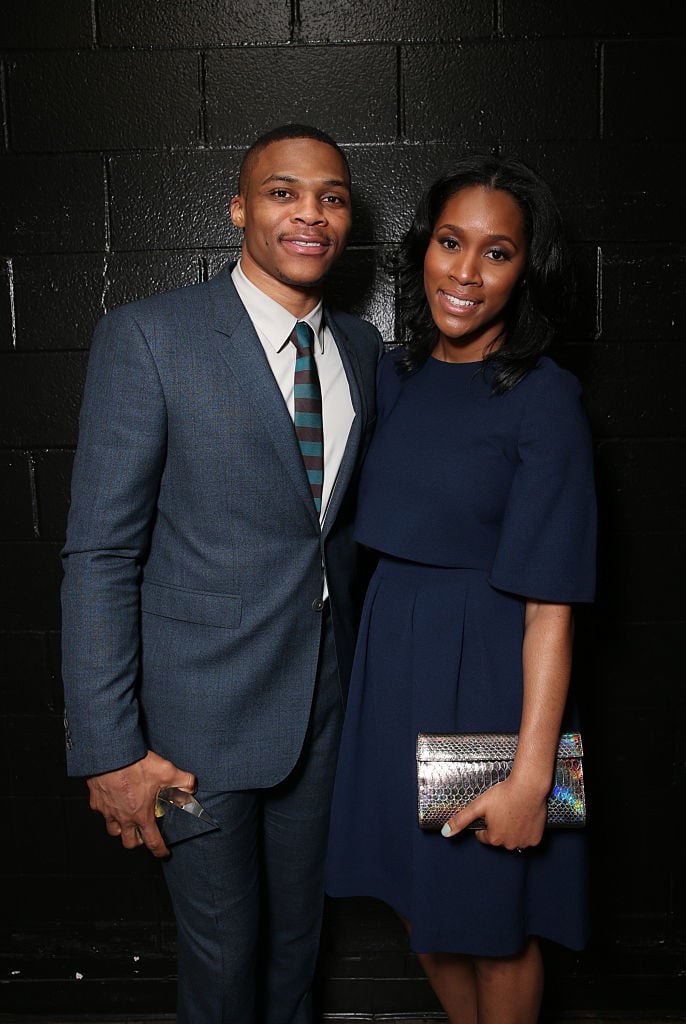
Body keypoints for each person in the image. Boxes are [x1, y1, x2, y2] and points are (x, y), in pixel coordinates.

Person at [61, 123, 383, 1024]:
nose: (310, 214)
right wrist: (108, 746)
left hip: (323, 710)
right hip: (194, 723)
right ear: (239, 208)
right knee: (223, 954)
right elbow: (100, 553)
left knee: (297, 944)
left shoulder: (362, 349)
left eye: (330, 197)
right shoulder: (148, 337)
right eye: (283, 193)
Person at [326, 156, 597, 1023]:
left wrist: (531, 777)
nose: (467, 272)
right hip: (392, 672)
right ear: (424, 249)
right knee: (422, 908)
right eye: (451, 242)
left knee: (494, 921)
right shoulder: (394, 375)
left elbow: (552, 611)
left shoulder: (546, 398)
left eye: (497, 252)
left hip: (489, 680)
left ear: (527, 271)